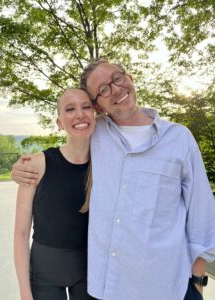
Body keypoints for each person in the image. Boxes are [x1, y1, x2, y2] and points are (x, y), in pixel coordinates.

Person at [12, 59, 215, 300]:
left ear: (129, 77)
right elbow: (69, 147)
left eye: (117, 78)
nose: (116, 89)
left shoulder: (179, 138)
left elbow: (202, 214)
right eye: (103, 90)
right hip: (108, 290)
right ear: (98, 106)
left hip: (168, 288)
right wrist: (22, 167)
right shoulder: (97, 133)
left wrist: (196, 280)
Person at [14, 88, 96, 300]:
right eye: (70, 109)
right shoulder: (36, 164)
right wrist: (25, 292)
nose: (80, 114)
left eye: (86, 107)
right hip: (45, 274)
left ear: (96, 115)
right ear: (59, 123)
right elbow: (21, 234)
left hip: (88, 272)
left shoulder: (105, 164)